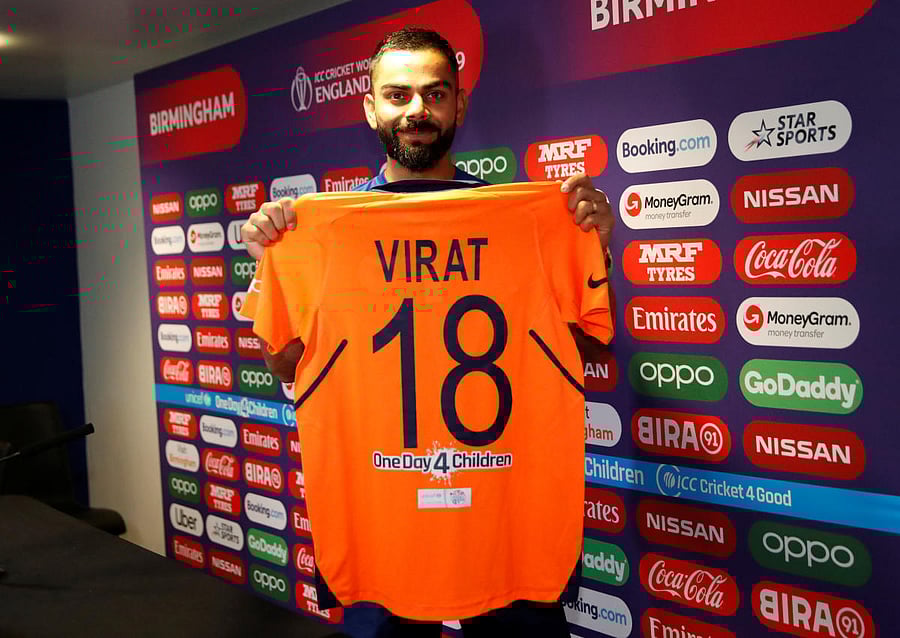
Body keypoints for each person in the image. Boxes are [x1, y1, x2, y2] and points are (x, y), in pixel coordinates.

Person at [240, 27, 615, 638]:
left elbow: (591, 345)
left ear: (459, 106)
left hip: (506, 516)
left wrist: (595, 249)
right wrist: (273, 265)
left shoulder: (528, 221)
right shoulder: (323, 231)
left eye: (435, 94)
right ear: (371, 109)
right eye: (398, 95)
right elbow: (284, 363)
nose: (417, 110)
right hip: (384, 519)